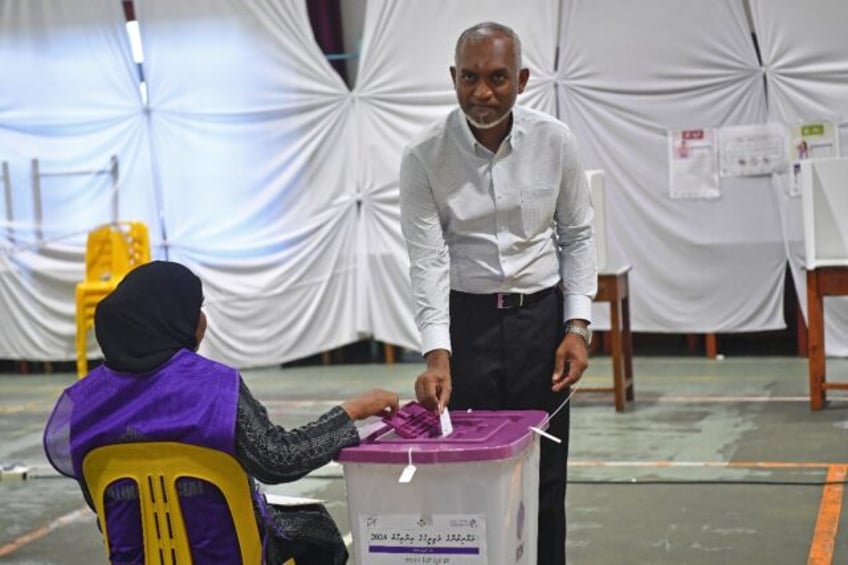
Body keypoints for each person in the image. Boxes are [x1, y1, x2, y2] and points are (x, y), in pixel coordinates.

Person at [43, 260, 399, 565]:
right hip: (226, 552)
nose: (202, 318)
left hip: (137, 554)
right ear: (174, 319)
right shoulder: (214, 385)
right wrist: (350, 411)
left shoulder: (82, 402)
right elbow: (278, 460)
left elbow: (98, 499)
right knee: (317, 528)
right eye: (195, 308)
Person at [398, 21, 597, 565]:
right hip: (469, 326)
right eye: (469, 78)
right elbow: (429, 259)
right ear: (453, 77)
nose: (482, 93)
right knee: (471, 472)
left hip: (542, 325)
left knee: (545, 475)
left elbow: (578, 234)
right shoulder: (423, 157)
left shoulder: (555, 142)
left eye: (497, 78)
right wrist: (438, 355)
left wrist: (576, 327)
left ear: (522, 79)